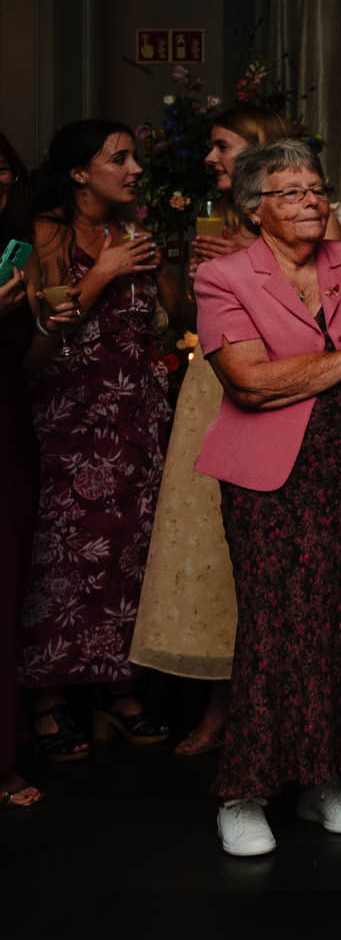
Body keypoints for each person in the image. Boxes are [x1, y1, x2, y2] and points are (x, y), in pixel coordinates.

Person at [192, 139, 341, 856]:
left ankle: (323, 781)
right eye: (291, 191)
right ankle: (244, 791)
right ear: (253, 207)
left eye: (319, 189)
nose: (313, 202)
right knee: (277, 625)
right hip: (272, 473)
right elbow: (251, 382)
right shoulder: (222, 275)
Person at [130, 105, 302, 757]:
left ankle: (280, 707)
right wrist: (170, 274)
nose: (210, 159)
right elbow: (188, 318)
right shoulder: (213, 219)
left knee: (268, 554)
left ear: (257, 153)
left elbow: (314, 309)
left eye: (221, 146)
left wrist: (250, 264)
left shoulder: (298, 222)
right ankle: (220, 705)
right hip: (210, 388)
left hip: (271, 388)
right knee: (212, 549)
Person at [20, 120, 187, 758]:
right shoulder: (45, 236)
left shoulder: (134, 234)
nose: (136, 169)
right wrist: (103, 271)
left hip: (137, 420)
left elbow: (176, 323)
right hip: (69, 420)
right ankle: (50, 699)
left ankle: (119, 693)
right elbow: (38, 346)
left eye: (135, 157)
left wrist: (165, 265)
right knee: (61, 562)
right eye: (119, 159)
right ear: (79, 173)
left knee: (130, 558)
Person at [0, 133, 49, 807]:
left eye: (4, 174)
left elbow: (31, 364)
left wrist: (46, 323)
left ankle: (3, 760)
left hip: (6, 421)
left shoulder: (19, 252)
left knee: (7, 586)